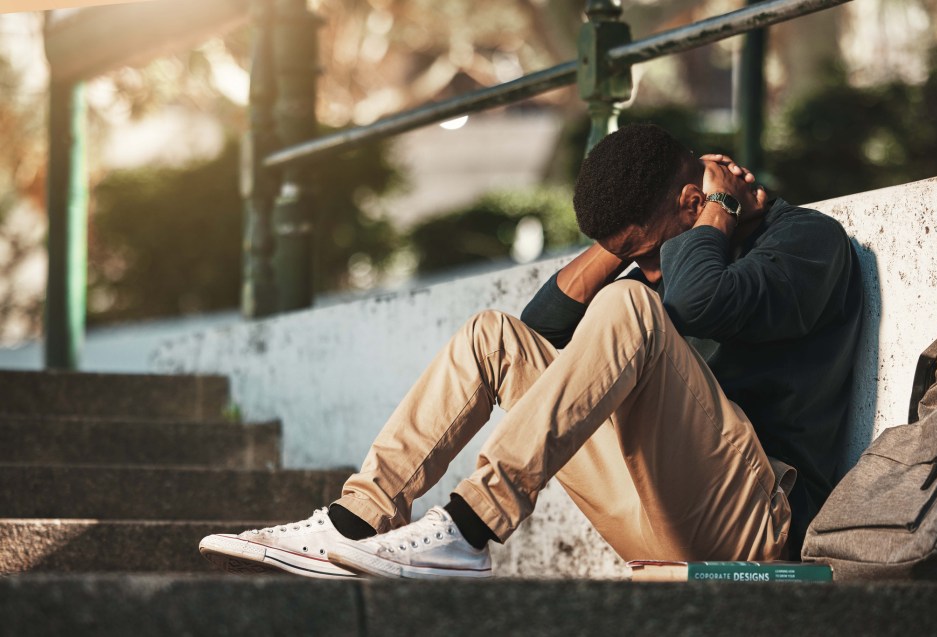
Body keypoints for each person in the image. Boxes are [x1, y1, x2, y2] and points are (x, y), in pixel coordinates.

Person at [199, 123, 863, 580]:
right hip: (657, 513)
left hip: (760, 526)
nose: (645, 268)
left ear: (694, 205)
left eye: (647, 251)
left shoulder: (805, 243)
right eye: (637, 256)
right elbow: (539, 329)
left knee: (626, 306)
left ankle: (468, 527)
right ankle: (354, 520)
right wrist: (624, 239)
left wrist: (712, 210)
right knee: (494, 336)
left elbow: (698, 301)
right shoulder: (672, 258)